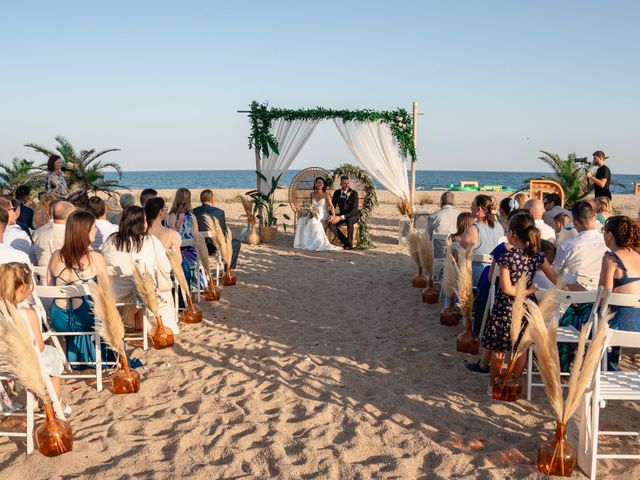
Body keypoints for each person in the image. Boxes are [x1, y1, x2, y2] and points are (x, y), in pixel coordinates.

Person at [481, 213, 558, 389]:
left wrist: (527, 290)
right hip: (526, 307)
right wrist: (567, 291)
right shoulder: (537, 255)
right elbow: (554, 276)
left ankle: (494, 385)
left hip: (505, 306)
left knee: (499, 349)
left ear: (513, 234)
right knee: (521, 348)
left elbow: (507, 288)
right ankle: (513, 383)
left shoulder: (507, 257)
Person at [0, 262, 70, 413]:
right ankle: (55, 402)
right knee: (53, 356)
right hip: (25, 364)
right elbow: (39, 347)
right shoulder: (28, 313)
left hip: (3, 365)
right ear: (24, 288)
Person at [47, 210, 109, 369]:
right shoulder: (95, 258)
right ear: (84, 231)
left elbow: (49, 288)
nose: (96, 230)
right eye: (94, 227)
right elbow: (106, 293)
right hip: (84, 319)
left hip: (58, 319)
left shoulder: (55, 256)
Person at [102, 206, 178, 334]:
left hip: (117, 293)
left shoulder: (111, 241)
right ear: (141, 223)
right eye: (145, 220)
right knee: (162, 288)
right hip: (144, 293)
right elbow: (165, 267)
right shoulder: (150, 241)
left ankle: (133, 320)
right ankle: (154, 323)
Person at [598, 216, 640, 370]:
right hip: (638, 324)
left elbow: (604, 296)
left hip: (617, 325)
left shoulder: (611, 259)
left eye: (604, 231)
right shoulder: (638, 256)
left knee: (575, 315)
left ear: (610, 235)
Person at [459, 194, 504, 285]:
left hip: (476, 277)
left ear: (479, 209)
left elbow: (460, 254)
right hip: (496, 275)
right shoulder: (499, 227)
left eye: (472, 204)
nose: (470, 207)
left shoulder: (473, 229)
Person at [194, 189, 242, 266]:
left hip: (199, 247)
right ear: (212, 199)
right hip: (216, 247)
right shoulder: (219, 212)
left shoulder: (193, 211)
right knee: (236, 243)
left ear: (201, 200)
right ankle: (228, 270)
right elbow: (223, 232)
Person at [293, 177, 342, 252]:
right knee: (302, 219)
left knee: (313, 220)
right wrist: (307, 211)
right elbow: (311, 206)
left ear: (324, 185)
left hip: (323, 213)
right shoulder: (312, 194)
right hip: (313, 212)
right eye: (319, 182)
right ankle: (306, 242)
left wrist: (333, 216)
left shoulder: (326, 195)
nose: (320, 184)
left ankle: (316, 243)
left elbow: (331, 206)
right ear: (315, 184)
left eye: (322, 183)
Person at [167, 188, 200, 292]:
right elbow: (196, 236)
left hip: (177, 255)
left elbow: (172, 235)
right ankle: (193, 290)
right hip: (193, 256)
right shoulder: (192, 217)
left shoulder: (172, 216)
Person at [33, 201, 74, 267]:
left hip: (42, 274)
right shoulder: (72, 234)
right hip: (64, 274)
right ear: (70, 216)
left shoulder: (39, 231)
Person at [327, 175, 360, 250]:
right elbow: (333, 206)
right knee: (330, 224)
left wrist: (340, 217)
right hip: (342, 215)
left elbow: (354, 210)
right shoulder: (337, 192)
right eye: (344, 183)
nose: (346, 185)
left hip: (354, 215)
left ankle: (349, 243)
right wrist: (333, 215)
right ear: (340, 184)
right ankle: (345, 241)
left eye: (348, 183)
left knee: (349, 220)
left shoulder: (354, 193)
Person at [0, 197, 36, 264]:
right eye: (12, 209)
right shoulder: (20, 235)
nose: (14, 213)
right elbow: (33, 260)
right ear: (5, 212)